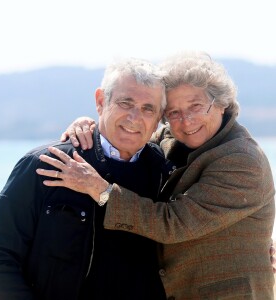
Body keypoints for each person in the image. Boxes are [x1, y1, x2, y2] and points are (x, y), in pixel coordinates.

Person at [40, 52, 275, 299]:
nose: (186, 120)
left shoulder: (243, 160)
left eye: (196, 106)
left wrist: (101, 190)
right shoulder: (169, 141)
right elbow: (126, 140)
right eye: (173, 112)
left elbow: (174, 223)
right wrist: (87, 125)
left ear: (222, 103)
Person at [0, 58, 170, 300]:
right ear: (101, 101)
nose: (134, 117)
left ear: (159, 117)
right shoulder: (44, 164)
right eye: (125, 102)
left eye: (147, 108)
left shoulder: (166, 173)